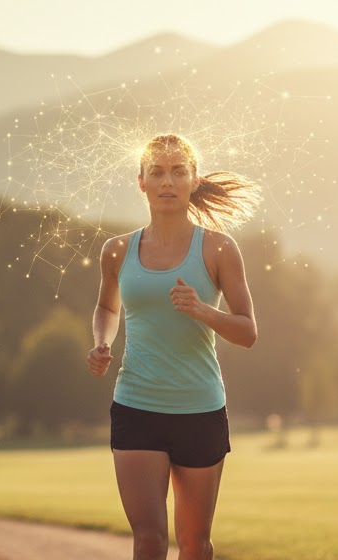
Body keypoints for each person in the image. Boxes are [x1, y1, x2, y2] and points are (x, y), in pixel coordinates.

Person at [87, 133, 260, 560]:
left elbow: (247, 331)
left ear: (194, 180)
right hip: (136, 404)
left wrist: (204, 312)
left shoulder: (219, 248)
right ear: (141, 182)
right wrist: (101, 343)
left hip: (199, 408)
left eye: (178, 172)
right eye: (157, 172)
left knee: (195, 543)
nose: (168, 181)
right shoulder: (117, 251)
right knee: (148, 539)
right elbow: (106, 309)